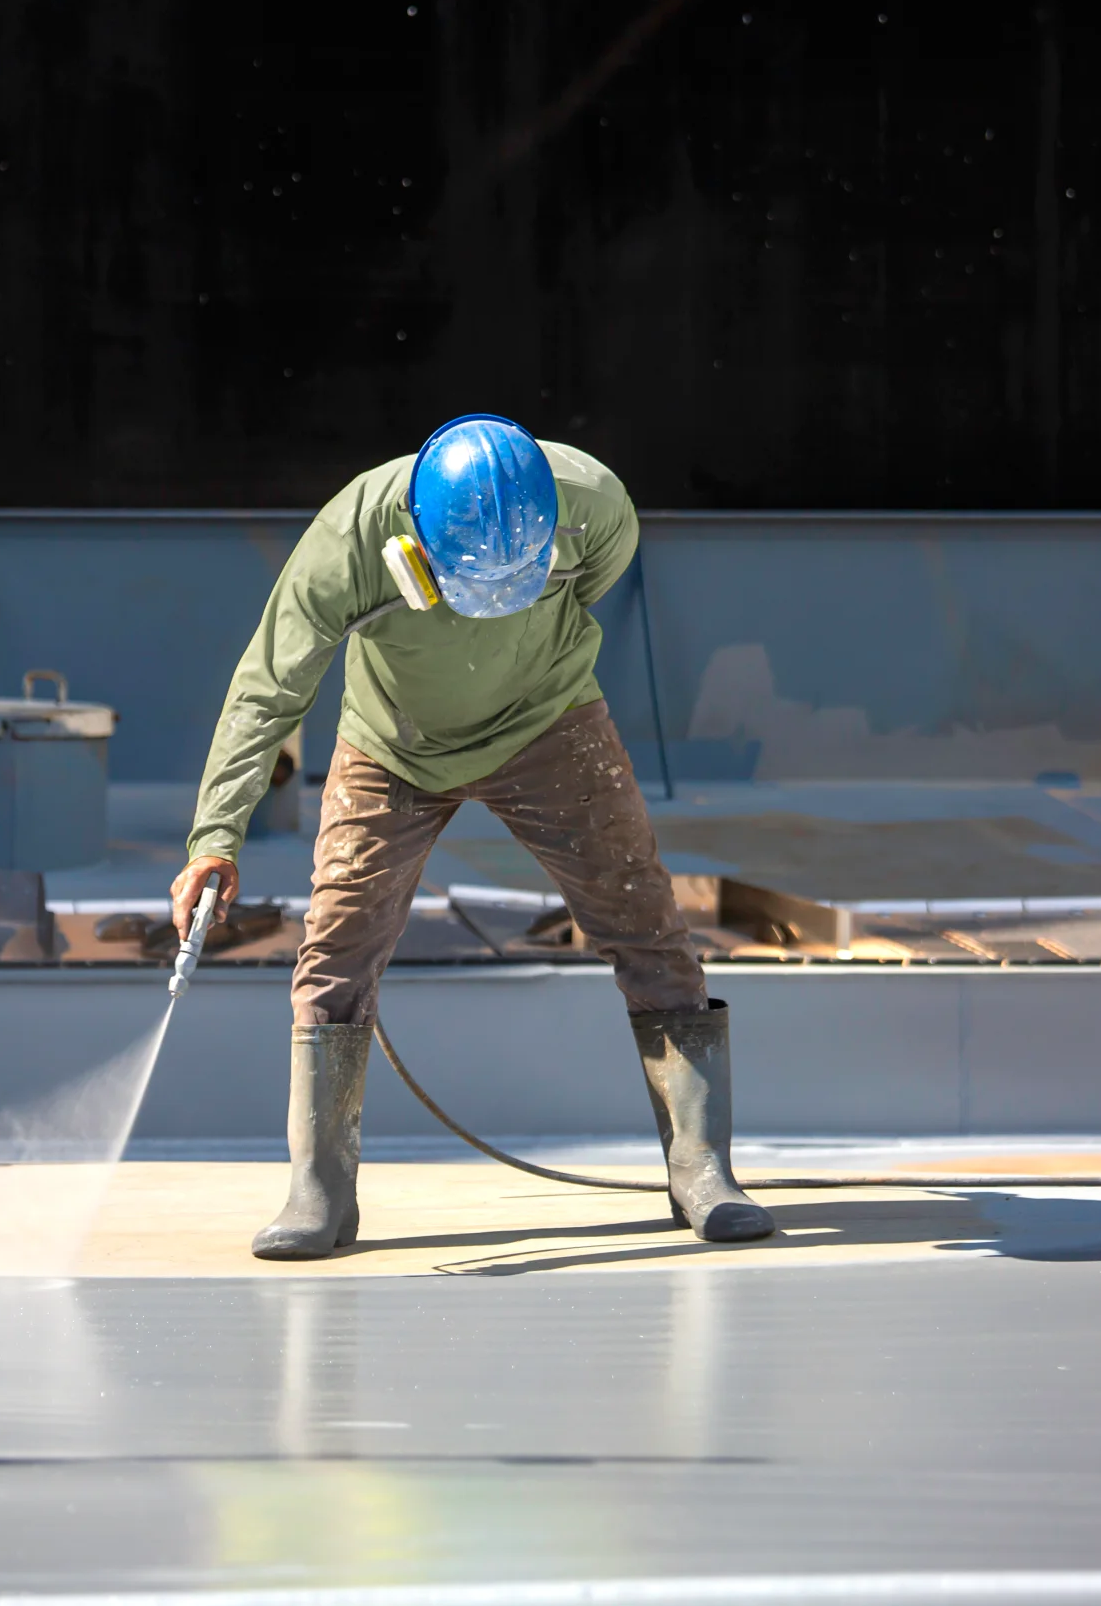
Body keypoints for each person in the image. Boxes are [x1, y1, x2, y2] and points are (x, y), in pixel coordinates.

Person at [171, 414, 776, 1260]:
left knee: (643, 918)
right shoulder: (349, 540)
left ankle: (702, 1166)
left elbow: (596, 580)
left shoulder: (592, 501)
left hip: (549, 718)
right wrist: (216, 836)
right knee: (337, 947)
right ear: (415, 546)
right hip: (394, 744)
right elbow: (268, 689)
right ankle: (320, 1188)